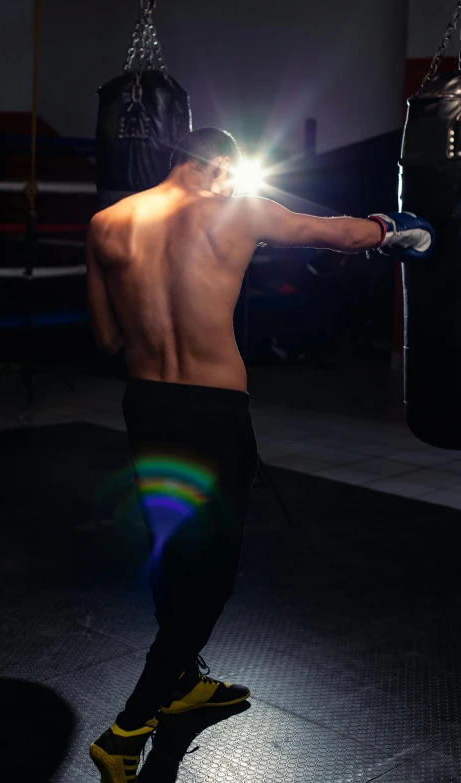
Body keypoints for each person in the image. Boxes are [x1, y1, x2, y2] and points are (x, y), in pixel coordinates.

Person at [85, 126, 434, 782]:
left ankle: (182, 681)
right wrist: (395, 226)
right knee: (209, 575)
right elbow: (338, 232)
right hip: (211, 418)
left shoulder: (106, 222)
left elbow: (104, 337)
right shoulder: (234, 209)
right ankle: (128, 726)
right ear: (218, 165)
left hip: (146, 409)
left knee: (170, 547)